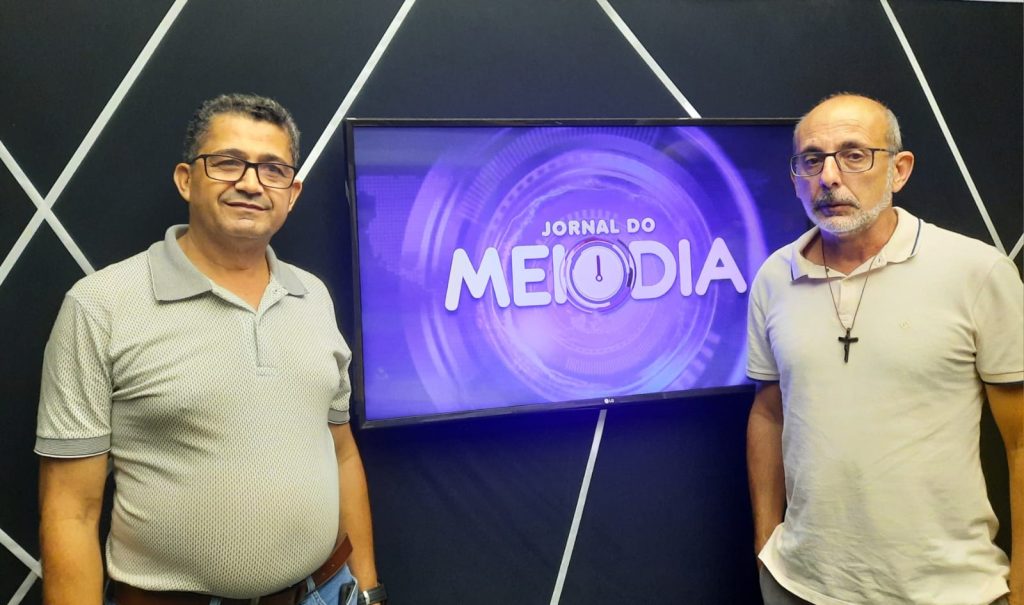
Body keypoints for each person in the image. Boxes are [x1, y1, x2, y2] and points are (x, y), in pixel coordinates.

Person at [36, 94, 388, 605]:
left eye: (272, 169)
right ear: (186, 179)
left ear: (292, 194)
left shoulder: (314, 296)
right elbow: (71, 509)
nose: (250, 183)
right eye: (227, 162)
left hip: (325, 591)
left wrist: (369, 591)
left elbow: (341, 453)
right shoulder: (101, 306)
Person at [746, 92, 1022, 605]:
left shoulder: (977, 272)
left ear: (899, 169)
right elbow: (769, 411)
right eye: (812, 159)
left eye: (854, 155)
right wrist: (767, 544)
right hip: (800, 585)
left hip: (949, 590)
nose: (829, 177)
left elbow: (1020, 441)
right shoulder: (774, 277)